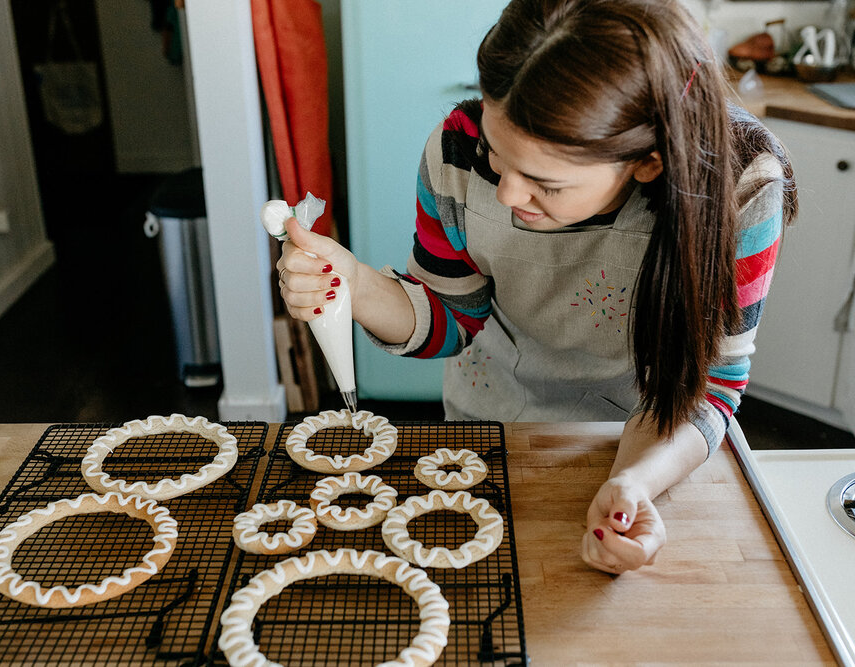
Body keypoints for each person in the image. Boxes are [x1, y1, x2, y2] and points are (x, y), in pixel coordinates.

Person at [276, 0, 796, 574]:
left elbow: (709, 384)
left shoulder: (738, 187)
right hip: (491, 427)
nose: (506, 195)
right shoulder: (457, 149)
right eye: (498, 159)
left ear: (646, 163)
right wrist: (355, 284)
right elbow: (449, 316)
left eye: (545, 184)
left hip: (648, 439)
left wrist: (635, 482)